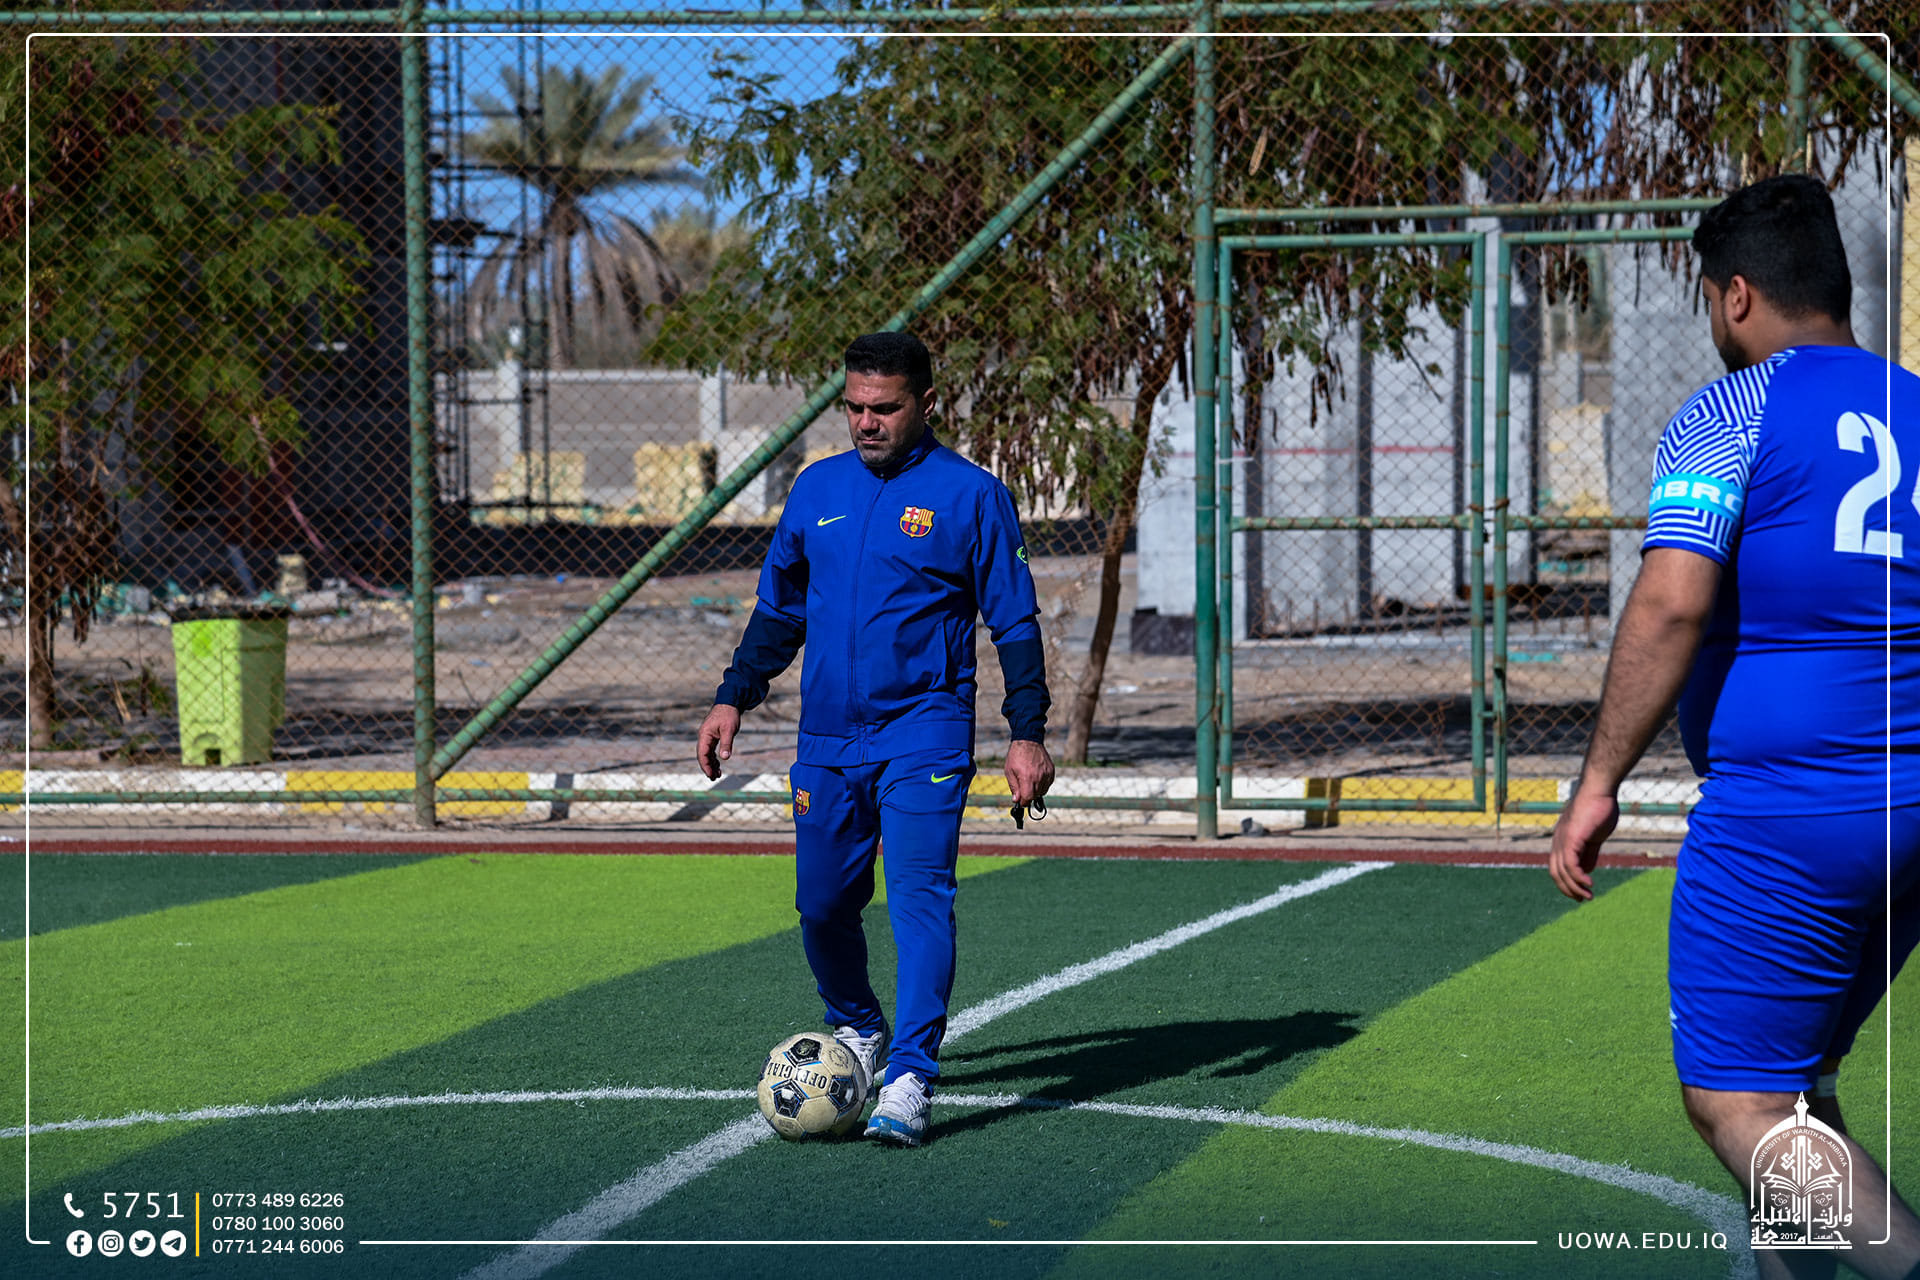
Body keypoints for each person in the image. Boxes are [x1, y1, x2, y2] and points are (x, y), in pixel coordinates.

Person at [1548, 173, 1919, 1276]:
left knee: (1739, 1104)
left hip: (1791, 817)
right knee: (1797, 1094)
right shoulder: (1916, 405)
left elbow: (1671, 602)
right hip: (1911, 810)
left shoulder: (1728, 411)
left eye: (1710, 299)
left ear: (1738, 295)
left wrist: (1597, 782)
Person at [696, 331, 1055, 1147]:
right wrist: (732, 698)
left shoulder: (971, 496)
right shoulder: (816, 488)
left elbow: (1014, 622)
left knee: (920, 898)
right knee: (821, 905)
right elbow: (779, 612)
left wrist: (1026, 734)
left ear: (925, 403)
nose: (866, 422)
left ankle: (911, 1077)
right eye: (854, 407)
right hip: (827, 738)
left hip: (925, 730)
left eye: (885, 408)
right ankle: (858, 1026)